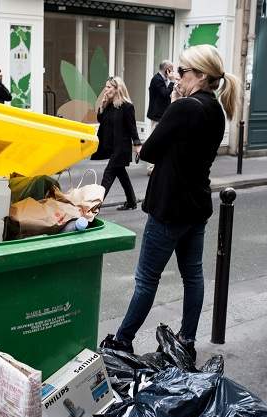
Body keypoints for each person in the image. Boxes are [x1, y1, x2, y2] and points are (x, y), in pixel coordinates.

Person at [100, 45, 241, 360]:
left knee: (146, 279)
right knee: (193, 275)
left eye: (182, 71)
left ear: (200, 75)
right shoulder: (216, 110)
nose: (177, 76)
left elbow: (147, 151)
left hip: (168, 208)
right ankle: (186, 340)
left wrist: (174, 105)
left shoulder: (184, 108)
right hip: (196, 206)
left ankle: (122, 341)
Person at [90, 76, 141, 211]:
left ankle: (95, 206)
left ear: (117, 89)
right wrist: (103, 103)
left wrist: (137, 145)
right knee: (121, 174)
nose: (105, 89)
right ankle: (131, 202)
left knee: (108, 174)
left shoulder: (127, 107)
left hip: (121, 148)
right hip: (111, 147)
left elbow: (132, 128)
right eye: (105, 86)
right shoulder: (110, 105)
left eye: (108, 87)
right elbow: (101, 119)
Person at [145, 61, 176, 176]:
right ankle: (151, 167)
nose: (172, 72)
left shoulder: (163, 79)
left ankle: (156, 164)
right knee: (154, 139)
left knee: (159, 139)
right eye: (171, 70)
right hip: (157, 115)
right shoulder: (157, 79)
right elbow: (165, 94)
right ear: (167, 69)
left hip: (161, 114)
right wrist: (172, 81)